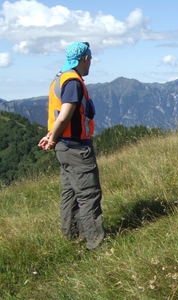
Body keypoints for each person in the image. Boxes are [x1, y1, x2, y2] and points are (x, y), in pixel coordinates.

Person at [38, 42, 105, 251]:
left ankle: (71, 234)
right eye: (90, 59)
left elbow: (56, 115)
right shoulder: (74, 82)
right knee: (88, 194)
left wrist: (52, 136)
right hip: (76, 148)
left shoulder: (58, 79)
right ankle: (95, 243)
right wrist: (52, 137)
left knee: (70, 191)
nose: (90, 63)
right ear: (84, 59)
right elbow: (66, 113)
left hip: (63, 147)